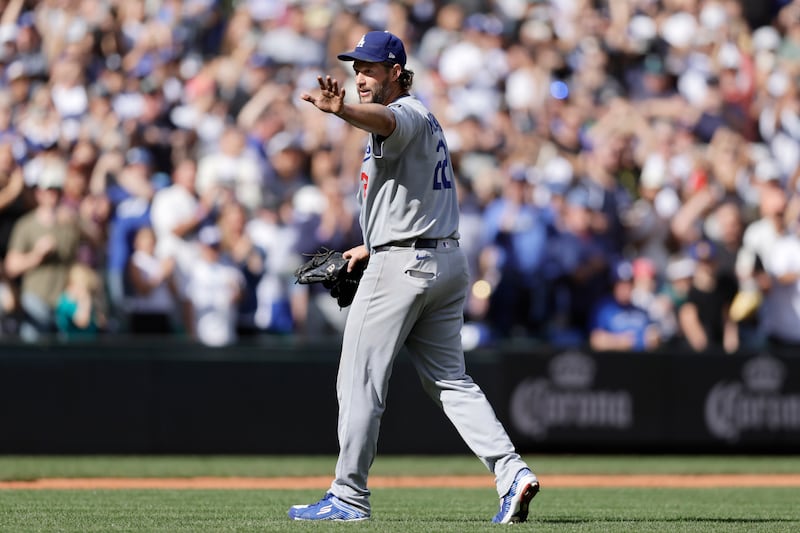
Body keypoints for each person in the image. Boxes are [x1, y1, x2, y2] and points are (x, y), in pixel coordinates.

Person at [289, 30, 539, 524]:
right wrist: (370, 245)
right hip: (441, 260)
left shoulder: (403, 113)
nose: (360, 76)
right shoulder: (423, 120)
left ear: (397, 74)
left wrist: (339, 111)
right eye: (356, 67)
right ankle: (511, 472)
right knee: (450, 380)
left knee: (360, 379)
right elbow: (412, 198)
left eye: (371, 68)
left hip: (404, 266)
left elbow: (383, 118)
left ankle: (348, 495)